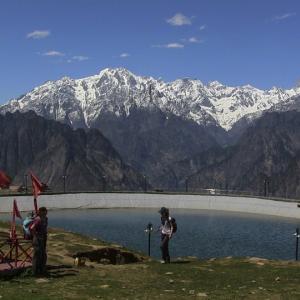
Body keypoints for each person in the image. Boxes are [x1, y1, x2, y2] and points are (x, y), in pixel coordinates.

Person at [30, 207, 48, 276]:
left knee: (43, 255)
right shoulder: (38, 219)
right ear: (41, 212)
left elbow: (45, 228)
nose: (46, 212)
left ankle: (42, 269)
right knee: (37, 255)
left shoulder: (46, 219)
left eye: (46, 211)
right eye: (45, 211)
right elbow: (32, 228)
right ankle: (35, 271)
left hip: (43, 237)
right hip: (38, 239)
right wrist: (36, 235)